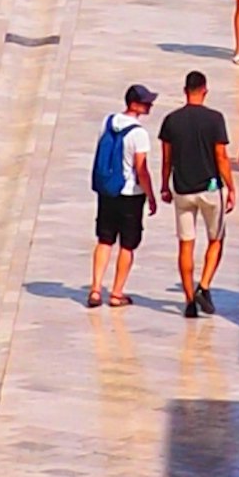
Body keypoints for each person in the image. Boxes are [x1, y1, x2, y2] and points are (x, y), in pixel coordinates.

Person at [158, 71, 238, 314]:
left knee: (185, 245)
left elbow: (167, 159)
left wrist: (164, 185)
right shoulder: (215, 119)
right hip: (211, 188)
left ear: (185, 91)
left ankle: (189, 300)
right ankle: (203, 285)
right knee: (216, 239)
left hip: (182, 189)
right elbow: (221, 156)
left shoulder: (171, 120)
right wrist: (231, 186)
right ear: (205, 90)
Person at [88, 84, 155, 310]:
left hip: (107, 191)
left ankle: (96, 289)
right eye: (146, 102)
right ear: (135, 104)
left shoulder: (107, 122)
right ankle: (116, 293)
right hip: (130, 194)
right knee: (127, 244)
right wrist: (151, 195)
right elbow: (141, 169)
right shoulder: (139, 134)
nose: (150, 105)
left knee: (105, 239)